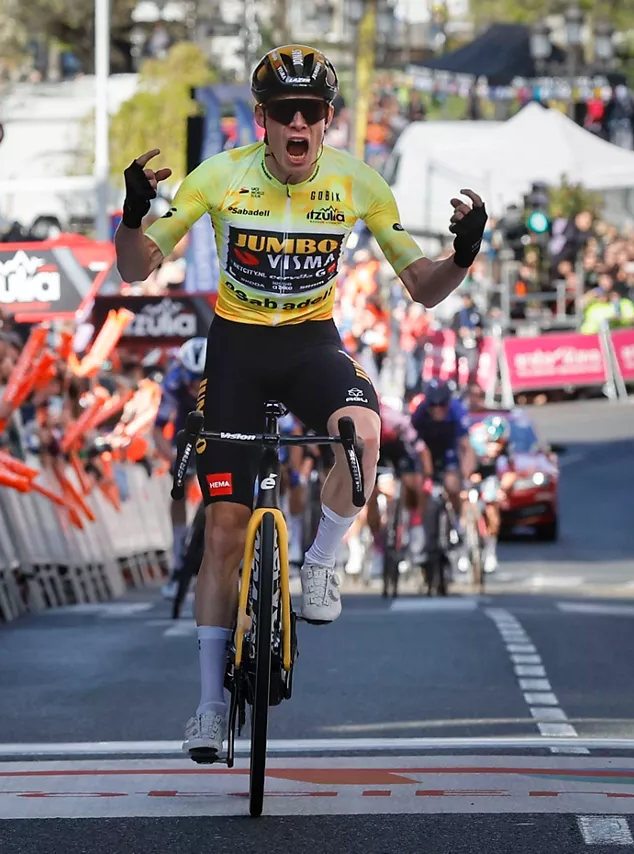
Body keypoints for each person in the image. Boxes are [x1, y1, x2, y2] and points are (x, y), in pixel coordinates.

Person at [113, 43, 487, 761]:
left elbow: (422, 285)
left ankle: (320, 562)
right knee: (222, 529)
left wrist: (463, 257)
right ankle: (209, 707)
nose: (297, 124)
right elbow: (135, 271)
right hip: (238, 352)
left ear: (327, 121)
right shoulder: (218, 176)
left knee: (364, 432)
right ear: (261, 119)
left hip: (312, 343)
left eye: (310, 113)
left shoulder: (360, 183)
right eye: (283, 112)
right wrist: (133, 218)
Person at [157, 335, 206, 599]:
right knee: (178, 489)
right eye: (192, 378)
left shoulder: (225, 379)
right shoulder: (174, 383)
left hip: (217, 432)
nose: (196, 384)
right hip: (186, 433)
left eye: (202, 378)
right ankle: (177, 560)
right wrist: (173, 458)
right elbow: (157, 430)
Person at [409, 379, 475, 563]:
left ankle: (456, 524)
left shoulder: (457, 411)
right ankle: (422, 533)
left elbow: (466, 448)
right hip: (427, 450)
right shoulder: (420, 413)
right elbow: (414, 444)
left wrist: (466, 476)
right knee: (420, 488)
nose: (437, 409)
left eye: (442, 405)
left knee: (452, 485)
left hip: (449, 451)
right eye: (433, 405)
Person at [367, 396, 425, 585]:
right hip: (370, 451)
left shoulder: (396, 419)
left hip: (394, 449)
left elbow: (419, 448)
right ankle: (378, 549)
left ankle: (413, 528)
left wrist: (423, 473)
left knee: (411, 483)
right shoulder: (357, 418)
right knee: (369, 496)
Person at [469, 414, 511, 574]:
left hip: (490, 476)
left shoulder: (505, 447)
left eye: (499, 443)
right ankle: (463, 547)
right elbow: (464, 458)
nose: (496, 447)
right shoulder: (474, 439)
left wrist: (503, 489)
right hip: (472, 471)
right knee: (465, 502)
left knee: (492, 506)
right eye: (493, 443)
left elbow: (509, 472)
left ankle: (491, 550)